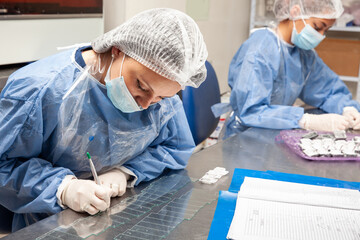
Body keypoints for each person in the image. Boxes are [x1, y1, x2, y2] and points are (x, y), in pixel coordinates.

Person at [0, 8, 207, 231]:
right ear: (118, 50)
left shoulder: (161, 96)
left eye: (161, 97)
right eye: (141, 86)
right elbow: (4, 162)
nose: (146, 104)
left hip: (113, 220)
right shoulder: (40, 89)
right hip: (46, 222)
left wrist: (126, 172)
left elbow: (174, 147)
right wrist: (62, 188)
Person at [213, 0, 360, 138]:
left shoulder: (303, 55)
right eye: (317, 27)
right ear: (295, 12)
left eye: (326, 30)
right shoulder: (260, 50)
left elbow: (327, 90)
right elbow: (250, 110)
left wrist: (348, 109)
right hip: (245, 138)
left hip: (275, 134)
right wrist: (305, 120)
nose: (321, 36)